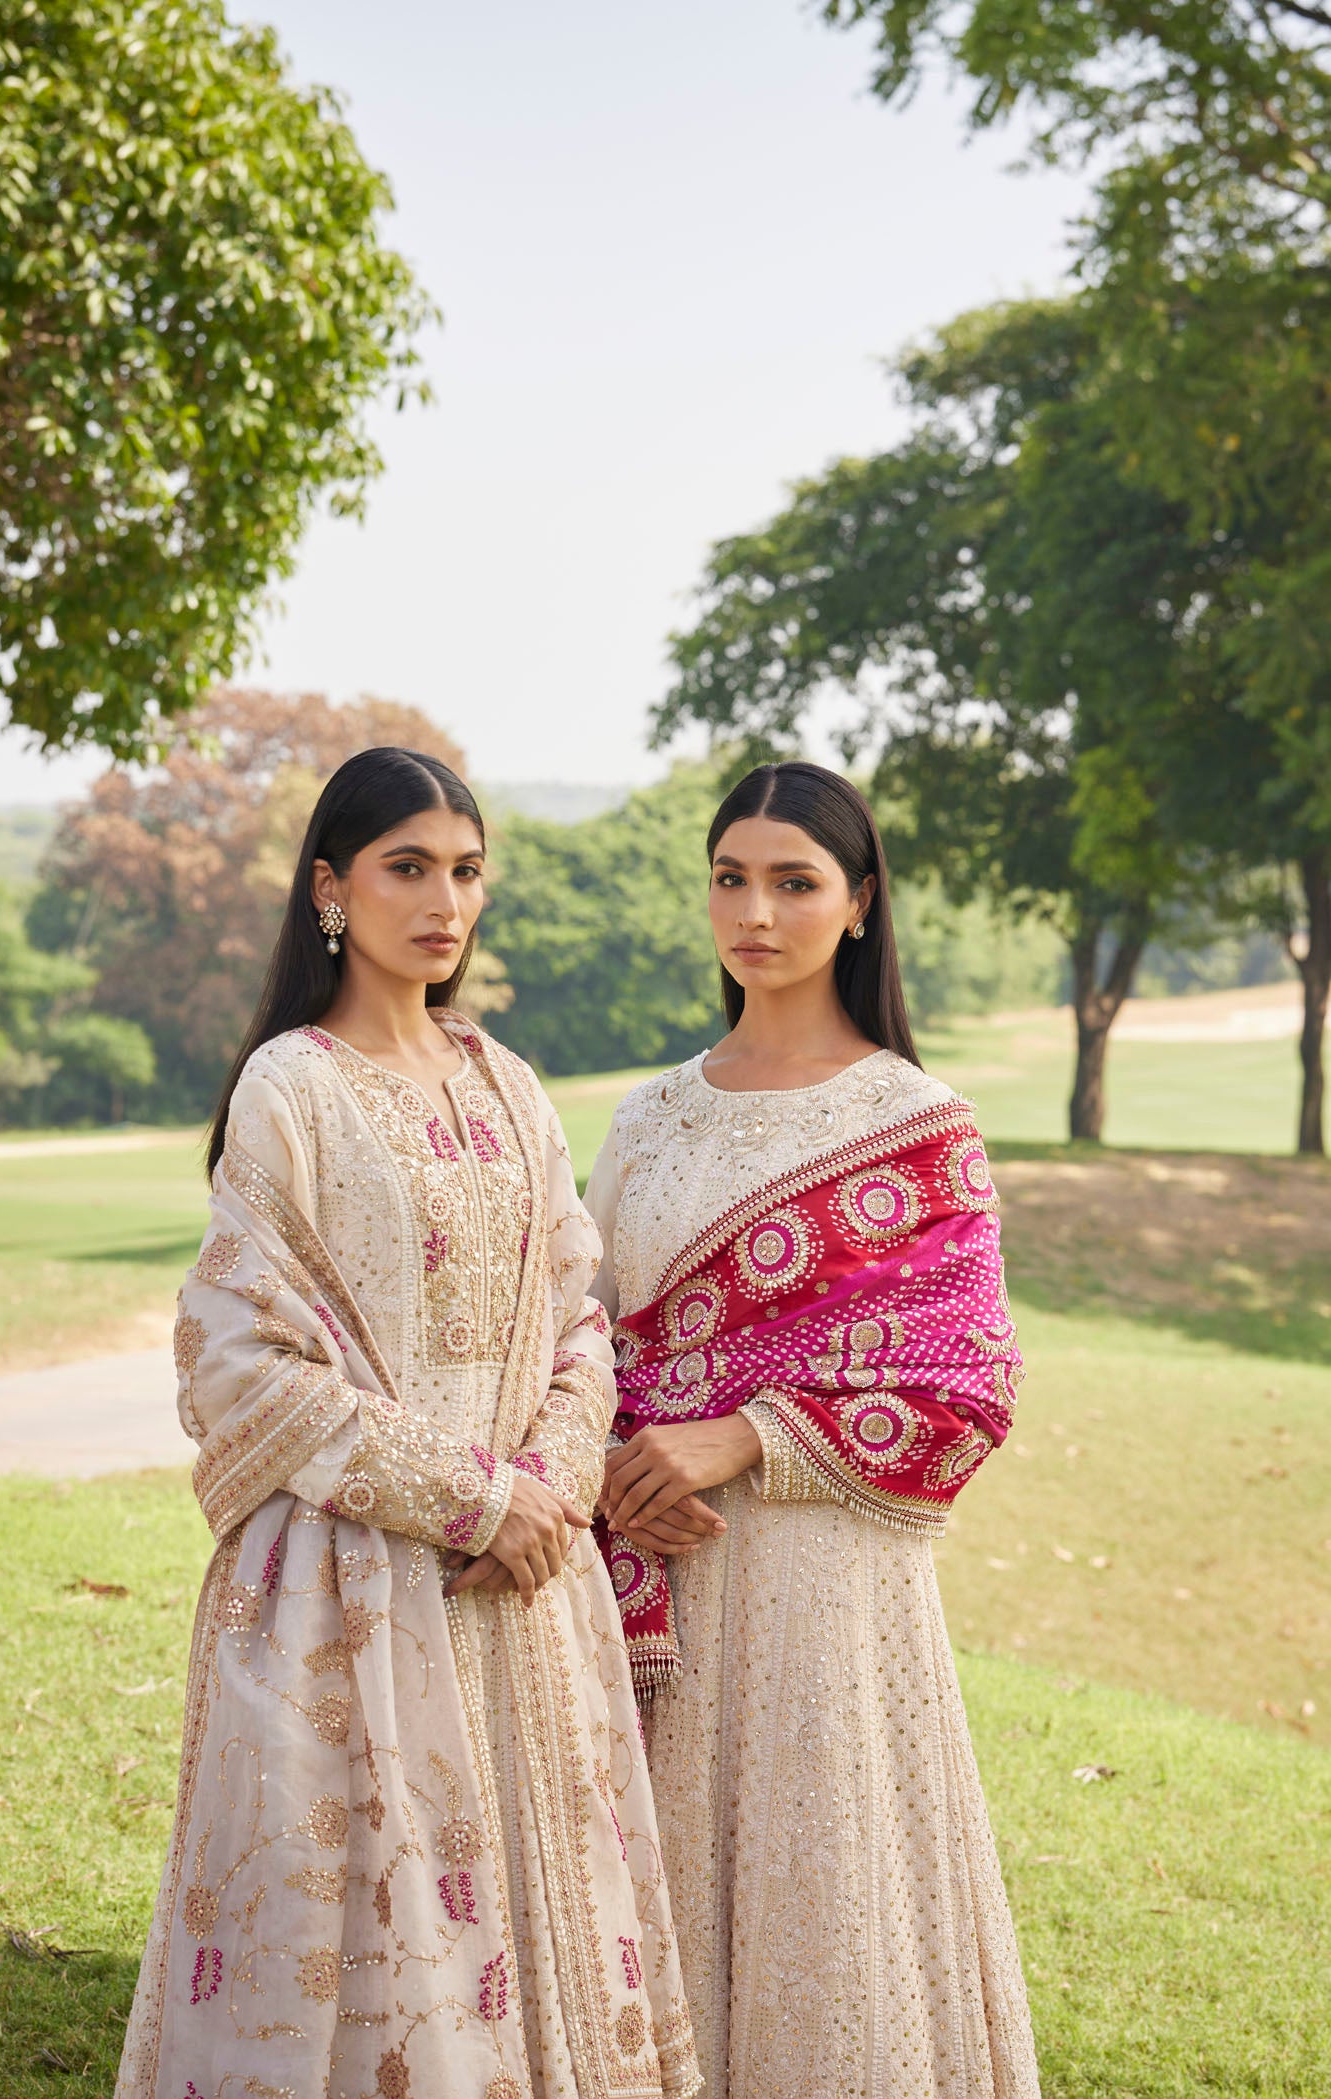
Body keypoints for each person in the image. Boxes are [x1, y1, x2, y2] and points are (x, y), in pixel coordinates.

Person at [117, 748, 700, 2099]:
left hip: (528, 1586)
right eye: (409, 868)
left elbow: (578, 1314)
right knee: (370, 1950)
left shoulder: (510, 1084)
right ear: (331, 887)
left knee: (543, 1933)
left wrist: (549, 1488)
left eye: (467, 871)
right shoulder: (291, 1087)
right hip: (352, 1588)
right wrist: (471, 1499)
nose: (446, 902)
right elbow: (239, 1360)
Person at [584, 761, 1040, 2099]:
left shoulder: (915, 1123)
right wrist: (612, 1465)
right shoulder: (648, 1117)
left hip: (827, 1586)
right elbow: (587, 1340)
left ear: (860, 902)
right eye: (731, 879)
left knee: (825, 1904)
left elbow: (968, 1384)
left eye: (794, 883)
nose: (756, 913)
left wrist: (740, 1436)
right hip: (661, 1572)